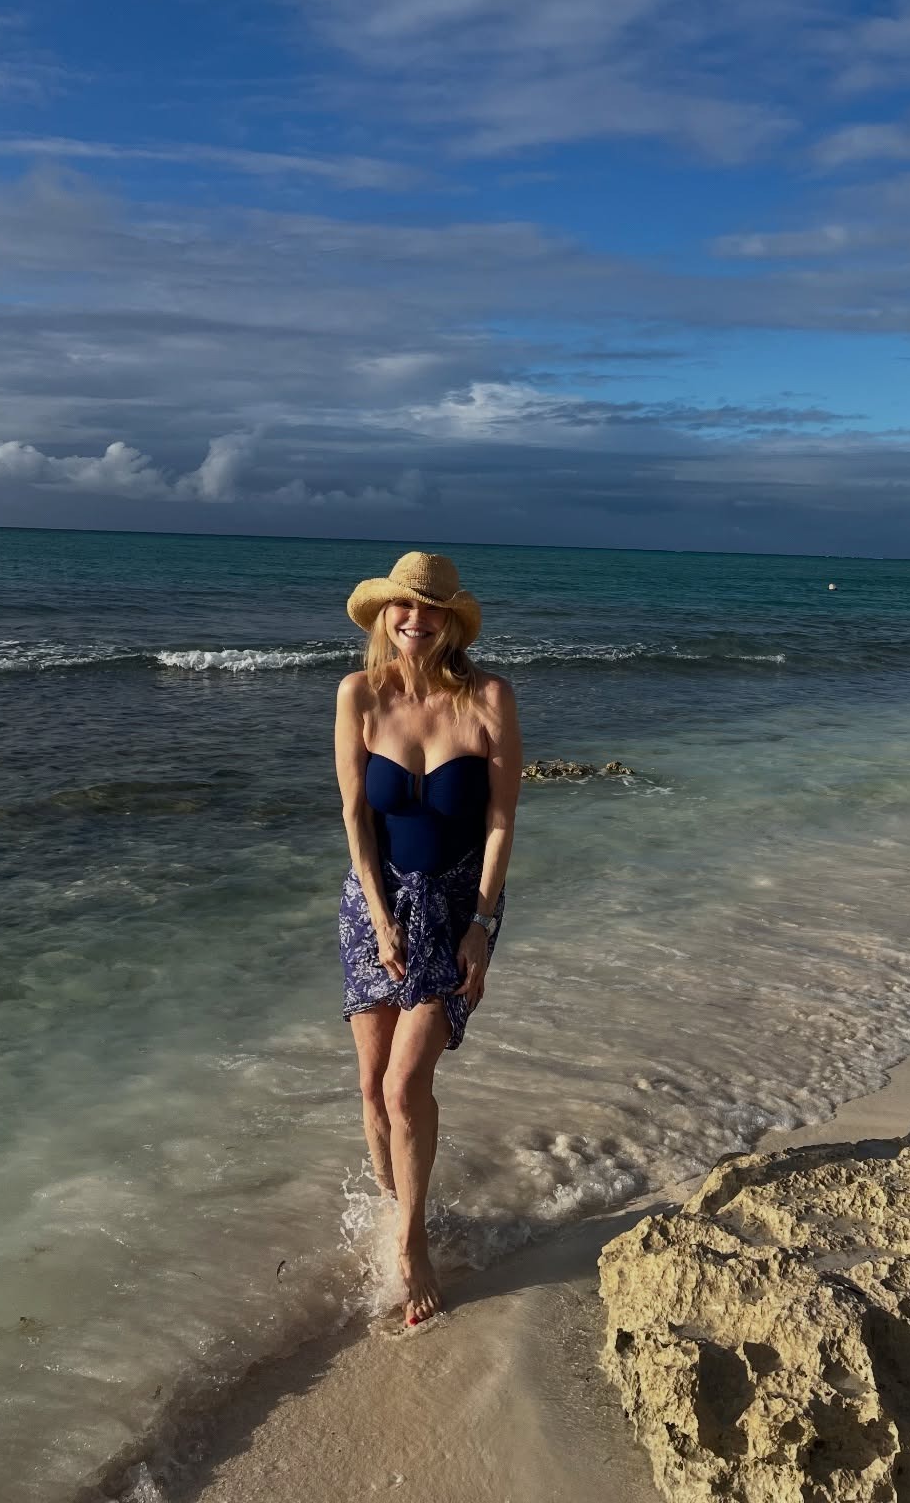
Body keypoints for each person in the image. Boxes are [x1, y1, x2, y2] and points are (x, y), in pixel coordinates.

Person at [334, 551, 521, 1325]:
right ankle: (395, 1206)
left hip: (456, 907)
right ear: (384, 614)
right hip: (372, 903)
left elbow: (502, 819)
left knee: (409, 1085)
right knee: (372, 1085)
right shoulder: (359, 694)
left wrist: (480, 923)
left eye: (430, 609)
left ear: (451, 620)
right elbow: (355, 817)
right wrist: (377, 915)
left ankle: (412, 1244)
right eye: (402, 608)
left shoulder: (488, 698)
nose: (414, 620)